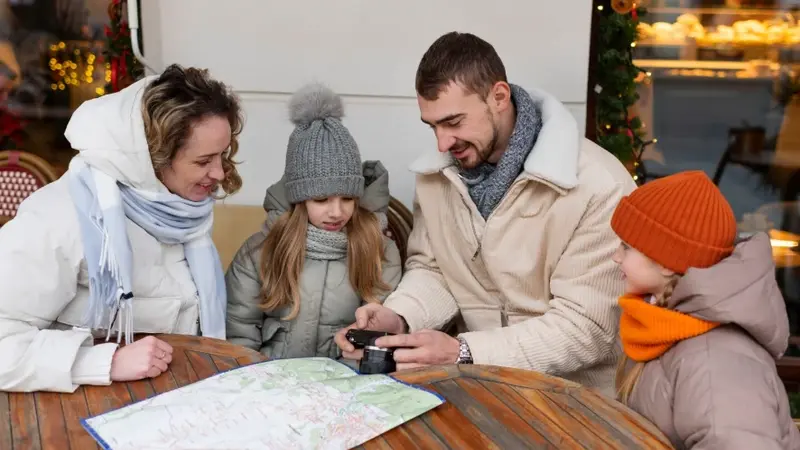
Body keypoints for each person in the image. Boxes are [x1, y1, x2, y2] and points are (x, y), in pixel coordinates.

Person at [335, 31, 636, 395]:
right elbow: (435, 270)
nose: (442, 142)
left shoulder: (600, 184)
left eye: (454, 122)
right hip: (479, 388)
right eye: (433, 126)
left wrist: (464, 352)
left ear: (499, 97)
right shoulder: (435, 176)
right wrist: (399, 316)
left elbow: (586, 328)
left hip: (576, 400)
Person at [0, 63, 243, 392]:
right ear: (151, 157)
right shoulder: (60, 218)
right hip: (84, 411)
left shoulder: (177, 207)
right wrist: (101, 362)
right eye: (203, 161)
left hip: (170, 398)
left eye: (222, 155)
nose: (219, 173)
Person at [612, 171, 800, 449]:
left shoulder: (714, 359)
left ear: (666, 261)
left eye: (626, 247)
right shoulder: (659, 327)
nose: (615, 256)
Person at [225, 83, 402, 360]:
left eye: (347, 198)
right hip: (270, 380)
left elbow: (380, 337)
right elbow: (239, 333)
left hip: (347, 381)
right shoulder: (260, 252)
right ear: (299, 200)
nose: (337, 212)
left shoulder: (379, 250)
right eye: (321, 200)